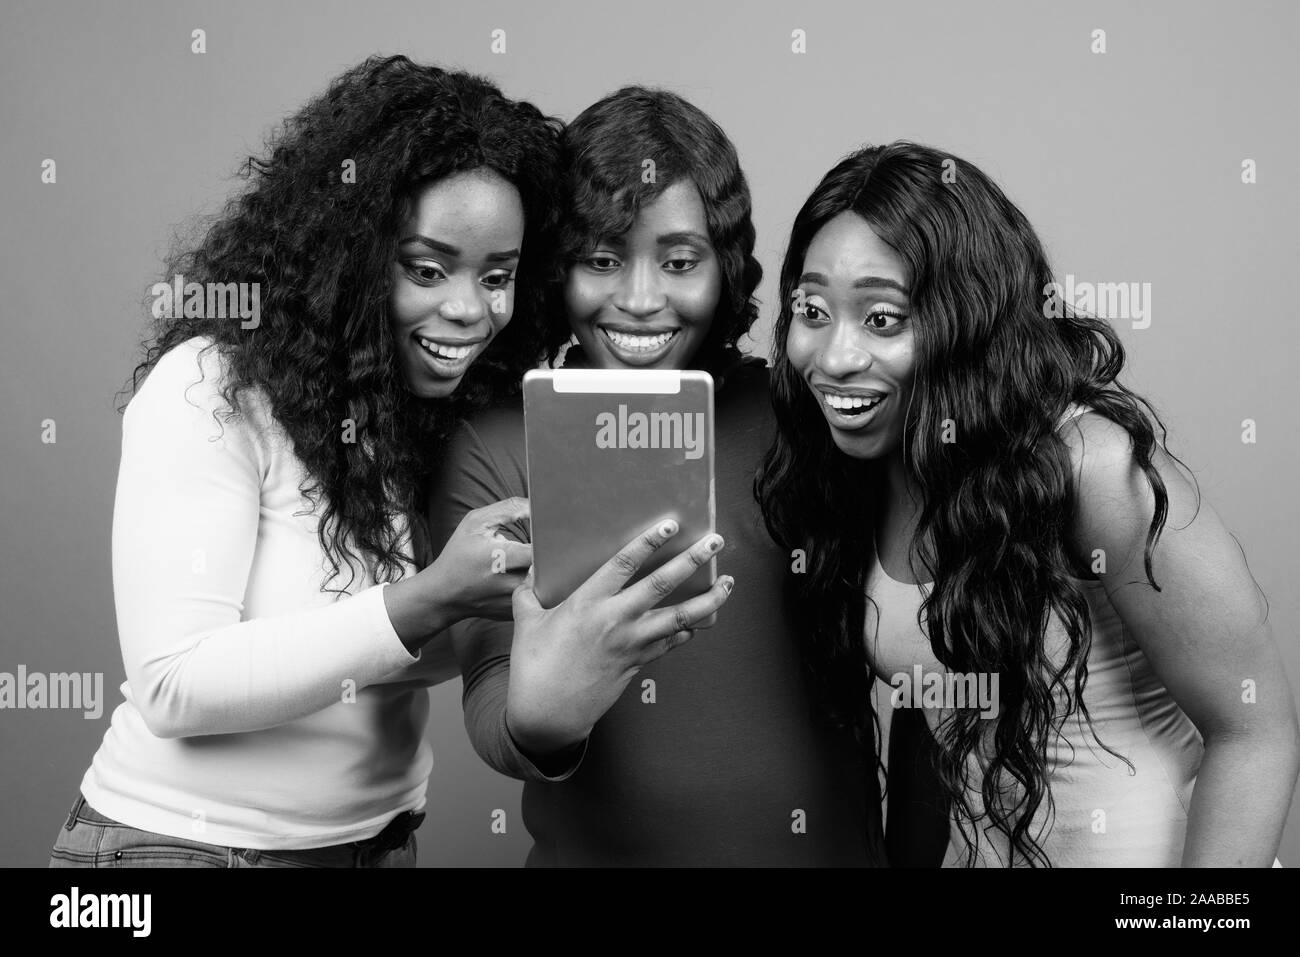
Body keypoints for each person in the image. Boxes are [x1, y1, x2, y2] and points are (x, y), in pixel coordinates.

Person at [49, 56, 562, 868]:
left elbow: (371, 656)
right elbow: (175, 685)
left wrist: (543, 598)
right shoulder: (212, 388)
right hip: (185, 851)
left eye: (497, 276)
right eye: (426, 269)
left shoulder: (419, 412)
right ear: (350, 256)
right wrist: (429, 597)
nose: (469, 310)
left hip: (376, 846)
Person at [756, 141, 1300, 867]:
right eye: (813, 309)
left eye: (882, 318)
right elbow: (933, 709)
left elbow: (1254, 730)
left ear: (965, 320)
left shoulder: (1092, 467)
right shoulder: (865, 467)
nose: (834, 356)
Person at [428, 88, 886, 866]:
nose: (640, 301)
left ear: (726, 265)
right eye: (602, 259)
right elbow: (491, 695)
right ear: (555, 267)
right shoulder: (497, 439)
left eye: (679, 261)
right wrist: (541, 716)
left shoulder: (806, 413)